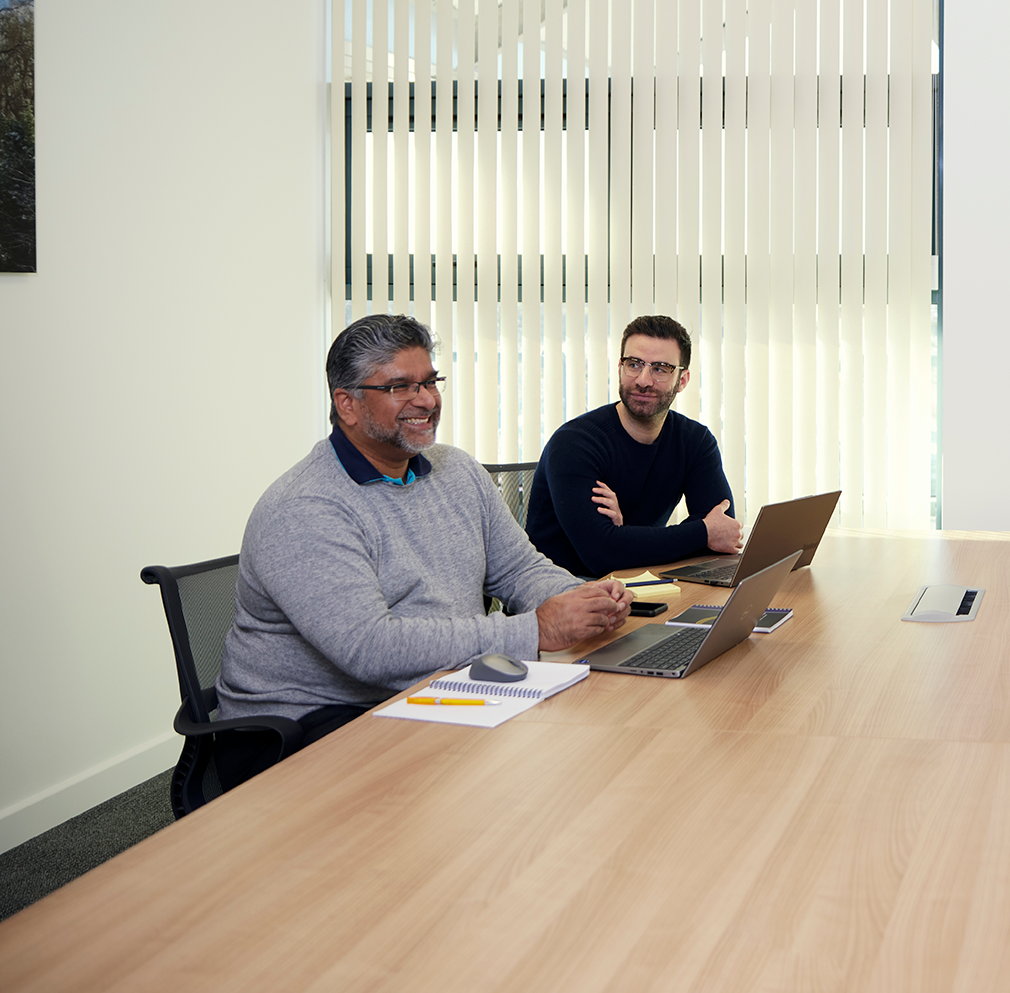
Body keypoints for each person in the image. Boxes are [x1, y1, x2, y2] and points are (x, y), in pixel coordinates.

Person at [215, 315, 632, 787]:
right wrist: (536, 629)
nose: (426, 400)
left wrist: (585, 599)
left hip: (434, 691)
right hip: (309, 730)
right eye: (400, 387)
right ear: (347, 404)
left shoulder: (457, 470)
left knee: (583, 756)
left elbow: (518, 568)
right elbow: (371, 649)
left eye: (430, 382)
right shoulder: (305, 508)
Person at [524, 314, 743, 577]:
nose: (643, 380)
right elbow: (602, 554)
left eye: (661, 368)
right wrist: (701, 532)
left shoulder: (694, 441)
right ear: (620, 367)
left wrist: (624, 536)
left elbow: (722, 535)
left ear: (682, 380)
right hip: (563, 590)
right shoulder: (575, 443)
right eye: (634, 364)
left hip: (638, 582)